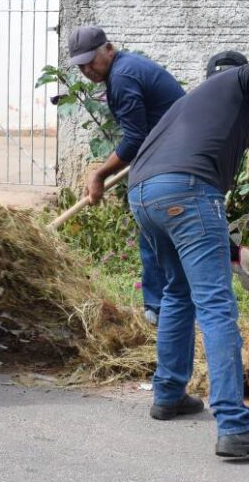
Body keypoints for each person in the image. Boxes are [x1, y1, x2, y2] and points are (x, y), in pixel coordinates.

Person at [126, 54, 249, 459]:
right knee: (216, 306)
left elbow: (188, 216)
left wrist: (236, 257)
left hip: (143, 195)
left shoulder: (192, 110)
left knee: (178, 291)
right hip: (185, 191)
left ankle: (168, 394)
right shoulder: (239, 80)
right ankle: (235, 426)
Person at [67, 25, 185, 325]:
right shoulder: (127, 68)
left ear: (108, 49)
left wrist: (99, 175)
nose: (86, 69)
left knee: (154, 227)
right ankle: (161, 307)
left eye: (90, 61)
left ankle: (161, 310)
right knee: (156, 233)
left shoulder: (123, 76)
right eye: (80, 65)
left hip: (171, 159)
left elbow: (134, 139)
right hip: (169, 153)